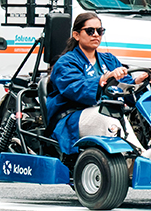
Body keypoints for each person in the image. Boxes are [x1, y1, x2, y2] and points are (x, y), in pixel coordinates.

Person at [46, 12, 145, 154]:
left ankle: (150, 152)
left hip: (108, 112)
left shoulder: (109, 60)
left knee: (138, 115)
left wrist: (137, 82)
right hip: (72, 117)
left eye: (100, 31)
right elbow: (75, 88)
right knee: (109, 117)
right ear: (76, 35)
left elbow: (126, 87)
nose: (96, 35)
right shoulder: (66, 62)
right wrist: (102, 79)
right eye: (90, 31)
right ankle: (133, 157)